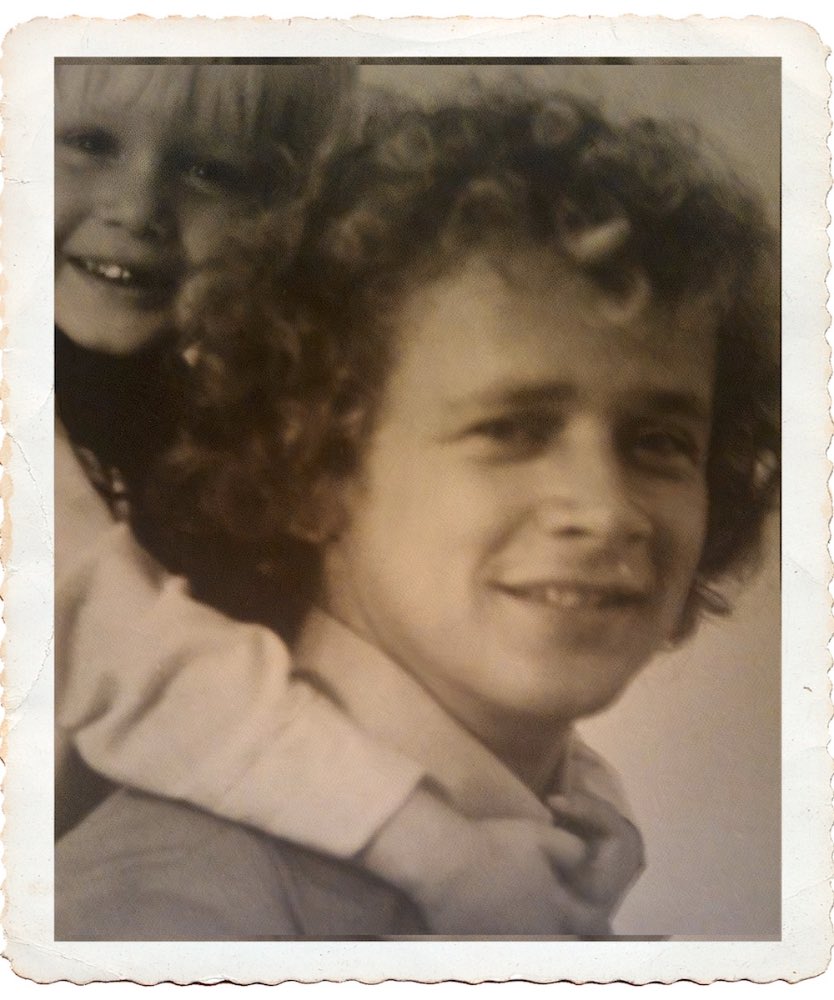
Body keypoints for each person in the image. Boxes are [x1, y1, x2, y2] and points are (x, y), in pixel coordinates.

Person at [55, 85, 779, 939]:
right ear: (315, 468)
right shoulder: (175, 916)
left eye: (659, 442)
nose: (607, 509)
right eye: (510, 428)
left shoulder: (576, 837)